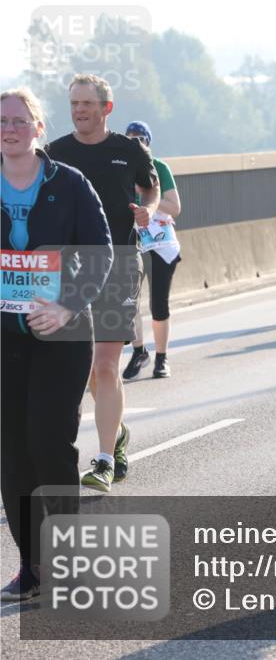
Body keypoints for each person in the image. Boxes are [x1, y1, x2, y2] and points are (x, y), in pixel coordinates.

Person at [1, 87, 113, 599]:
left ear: (38, 128)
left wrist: (67, 305)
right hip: (5, 337)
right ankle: (32, 566)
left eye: (19, 120)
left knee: (49, 444)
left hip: (63, 333)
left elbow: (101, 253)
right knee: (12, 455)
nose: (9, 129)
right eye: (2, 121)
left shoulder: (69, 183)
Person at [46, 74, 160, 492]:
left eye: (87, 104)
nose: (79, 111)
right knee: (83, 371)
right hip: (72, 268)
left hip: (119, 262)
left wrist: (147, 210)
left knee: (106, 365)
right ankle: (119, 430)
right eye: (74, 104)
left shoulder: (128, 150)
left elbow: (151, 188)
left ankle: (105, 460)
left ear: (106, 108)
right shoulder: (54, 153)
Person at [121, 121, 181, 379]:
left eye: (140, 139)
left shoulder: (159, 168)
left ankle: (162, 357)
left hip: (159, 241)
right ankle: (139, 351)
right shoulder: (120, 168)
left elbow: (175, 207)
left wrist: (150, 199)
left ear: (148, 142)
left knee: (158, 302)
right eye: (130, 138)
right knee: (130, 302)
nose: (135, 143)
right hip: (133, 241)